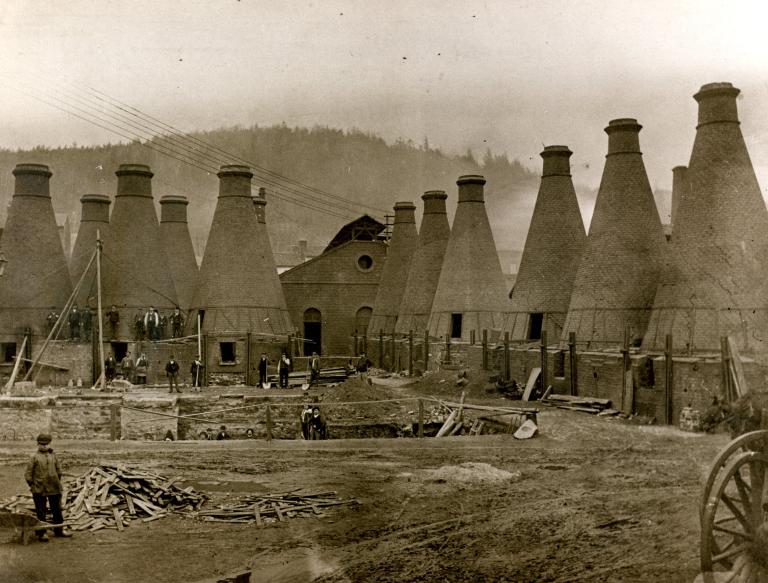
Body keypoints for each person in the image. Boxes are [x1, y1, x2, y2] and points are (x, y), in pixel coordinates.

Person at [25, 433, 72, 541]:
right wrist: (33, 485)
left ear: (49, 444)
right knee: (41, 511)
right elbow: (28, 474)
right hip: (39, 488)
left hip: (54, 487)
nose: (44, 446)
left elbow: (59, 470)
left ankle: (59, 530)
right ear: (38, 444)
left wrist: (56, 481)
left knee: (57, 510)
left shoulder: (53, 455)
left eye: (46, 444)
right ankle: (42, 533)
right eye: (42, 444)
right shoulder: (34, 457)